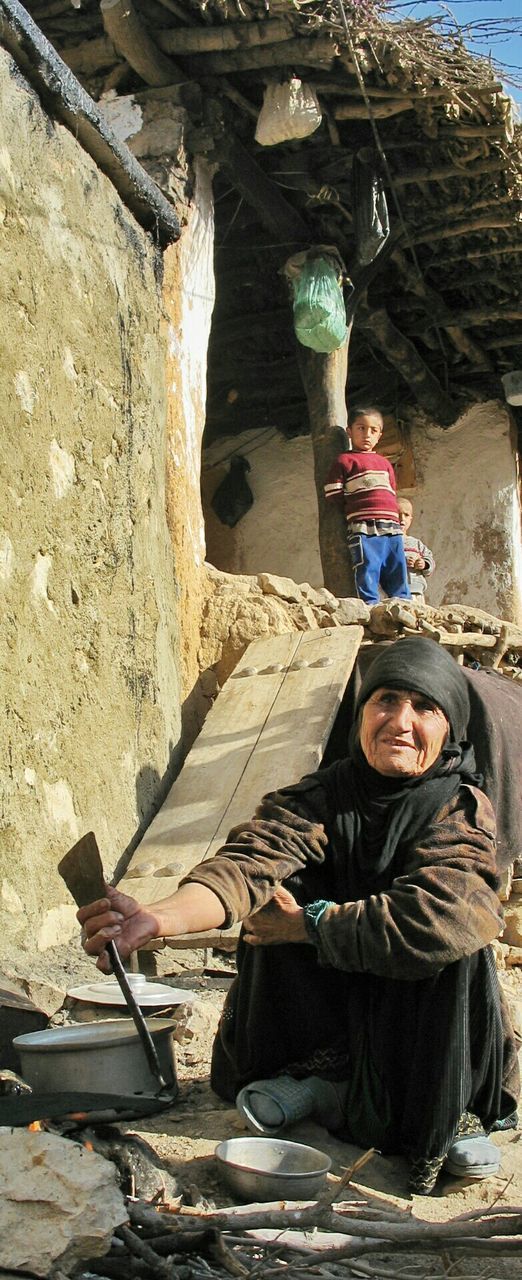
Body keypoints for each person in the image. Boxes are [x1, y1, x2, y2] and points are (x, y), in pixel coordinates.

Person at [79, 638, 519, 1197]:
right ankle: (324, 1077)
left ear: (450, 727)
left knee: (452, 936)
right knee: (277, 892)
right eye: (384, 700)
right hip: (333, 1015)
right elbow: (245, 867)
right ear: (362, 713)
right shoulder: (319, 798)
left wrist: (312, 925)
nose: (400, 722)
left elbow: (442, 915)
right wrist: (156, 918)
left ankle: (450, 1109)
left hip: (424, 1032)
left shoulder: (459, 808)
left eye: (424, 707)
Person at [324, 407, 410, 605]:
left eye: (373, 430)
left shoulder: (384, 463)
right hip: (364, 527)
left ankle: (402, 602)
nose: (367, 435)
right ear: (349, 431)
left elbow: (392, 490)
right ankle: (369, 605)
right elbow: (333, 492)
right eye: (361, 428)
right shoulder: (345, 461)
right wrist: (354, 508)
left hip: (391, 526)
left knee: (396, 565)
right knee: (368, 565)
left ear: (380, 435)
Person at [398, 497, 435, 601]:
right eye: (397, 514)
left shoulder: (416, 544)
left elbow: (430, 559)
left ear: (411, 519)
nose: (402, 519)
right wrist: (402, 561)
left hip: (417, 590)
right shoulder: (388, 542)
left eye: (406, 515)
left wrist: (424, 564)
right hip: (396, 590)